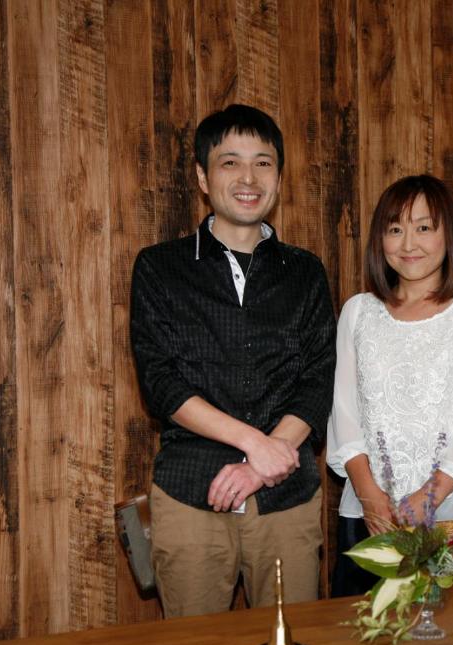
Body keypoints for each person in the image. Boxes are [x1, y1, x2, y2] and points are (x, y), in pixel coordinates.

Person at [130, 104, 335, 617]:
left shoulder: (306, 273)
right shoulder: (160, 267)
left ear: (279, 177)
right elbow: (161, 383)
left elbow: (317, 380)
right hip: (189, 491)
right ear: (202, 176)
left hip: (286, 495)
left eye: (263, 163)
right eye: (230, 162)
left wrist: (263, 468)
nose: (248, 177)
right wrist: (251, 445)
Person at [326, 174, 453, 597]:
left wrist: (429, 495)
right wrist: (369, 494)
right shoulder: (358, 313)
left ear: (449, 235)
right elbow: (344, 415)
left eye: (424, 227)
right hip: (372, 513)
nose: (409, 243)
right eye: (395, 229)